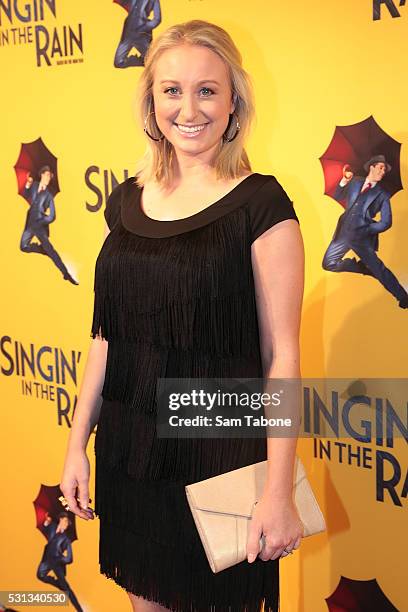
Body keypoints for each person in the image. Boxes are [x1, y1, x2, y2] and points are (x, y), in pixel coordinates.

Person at [61, 19, 305, 612]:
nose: (188, 108)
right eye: (171, 90)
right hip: (132, 457)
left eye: (207, 90)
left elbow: (282, 357)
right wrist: (76, 445)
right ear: (151, 102)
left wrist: (278, 492)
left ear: (233, 102)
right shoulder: (125, 201)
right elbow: (106, 338)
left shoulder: (262, 205)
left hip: (219, 461)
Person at [322, 155, 408, 308]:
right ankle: (362, 267)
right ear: (372, 167)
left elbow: (386, 222)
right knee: (328, 263)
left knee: (379, 269)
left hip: (361, 237)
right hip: (343, 232)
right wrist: (344, 181)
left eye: (384, 170)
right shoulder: (355, 182)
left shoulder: (382, 195)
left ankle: (402, 296)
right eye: (380, 168)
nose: (383, 172)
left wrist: (368, 228)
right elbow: (338, 195)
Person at [21, 167, 78, 285]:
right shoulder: (35, 185)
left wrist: (42, 220)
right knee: (23, 246)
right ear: (41, 174)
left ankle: (66, 273)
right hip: (30, 222)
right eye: (46, 175)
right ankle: (42, 249)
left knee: (51, 251)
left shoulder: (48, 196)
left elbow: (52, 216)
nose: (48, 178)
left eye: (50, 176)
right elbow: (26, 194)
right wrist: (28, 184)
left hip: (39, 225)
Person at [36, 512, 83, 612]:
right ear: (61, 519)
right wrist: (46, 522)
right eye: (66, 521)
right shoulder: (52, 527)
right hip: (47, 559)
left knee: (67, 589)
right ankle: (60, 585)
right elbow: (45, 529)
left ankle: (79, 610)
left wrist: (60, 559)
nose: (66, 524)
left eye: (68, 523)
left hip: (57, 563)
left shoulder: (66, 539)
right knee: (40, 575)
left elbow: (69, 559)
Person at [114, 0, 161, 68]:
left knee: (153, 62)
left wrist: (145, 27)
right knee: (118, 62)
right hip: (128, 33)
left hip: (141, 34)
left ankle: (145, 61)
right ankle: (141, 60)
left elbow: (157, 19)